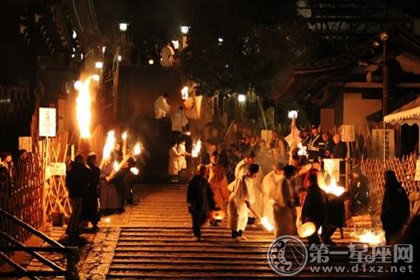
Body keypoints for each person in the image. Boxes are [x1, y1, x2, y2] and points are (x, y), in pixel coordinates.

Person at [228, 164, 259, 239]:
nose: (254, 175)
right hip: (237, 200)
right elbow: (239, 192)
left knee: (244, 217)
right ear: (248, 172)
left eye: (255, 174)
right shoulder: (242, 179)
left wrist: (248, 201)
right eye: (252, 173)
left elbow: (249, 192)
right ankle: (234, 235)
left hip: (244, 201)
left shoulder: (251, 179)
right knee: (237, 217)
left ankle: (240, 234)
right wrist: (247, 201)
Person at [187, 165, 216, 240]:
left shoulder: (204, 180)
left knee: (204, 217)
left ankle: (195, 229)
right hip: (196, 203)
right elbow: (190, 192)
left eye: (205, 171)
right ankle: (197, 234)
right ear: (199, 171)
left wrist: (212, 202)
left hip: (204, 202)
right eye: (202, 171)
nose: (204, 172)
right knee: (196, 218)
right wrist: (190, 202)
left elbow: (208, 191)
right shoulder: (193, 180)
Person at [381, 170, 410, 244]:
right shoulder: (399, 188)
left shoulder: (390, 189)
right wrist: (405, 216)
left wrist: (384, 217)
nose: (384, 179)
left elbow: (389, 205)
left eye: (384, 178)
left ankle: (392, 254)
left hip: (391, 221)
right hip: (399, 220)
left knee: (391, 241)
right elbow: (406, 202)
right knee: (398, 239)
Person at [66, 155, 90, 238]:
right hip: (77, 192)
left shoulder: (72, 168)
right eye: (82, 160)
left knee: (75, 211)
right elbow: (88, 172)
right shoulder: (78, 168)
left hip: (73, 192)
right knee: (76, 211)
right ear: (80, 160)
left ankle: (71, 228)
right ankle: (72, 229)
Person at [272, 165, 298, 237]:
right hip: (283, 209)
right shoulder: (284, 182)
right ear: (291, 173)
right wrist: (293, 209)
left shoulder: (285, 181)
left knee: (283, 229)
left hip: (282, 208)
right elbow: (286, 197)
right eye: (294, 173)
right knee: (283, 229)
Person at [301, 174, 327, 244]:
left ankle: (315, 248)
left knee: (311, 235)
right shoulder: (322, 191)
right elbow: (325, 204)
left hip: (311, 216)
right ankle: (316, 247)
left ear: (310, 181)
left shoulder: (309, 191)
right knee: (313, 233)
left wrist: (303, 216)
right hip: (320, 216)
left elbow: (306, 204)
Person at [205, 152, 229, 226]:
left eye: (217, 158)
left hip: (219, 191)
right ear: (211, 158)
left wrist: (225, 193)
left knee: (218, 206)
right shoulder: (207, 168)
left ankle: (217, 219)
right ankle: (212, 219)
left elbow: (224, 180)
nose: (215, 160)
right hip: (211, 190)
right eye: (214, 158)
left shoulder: (221, 168)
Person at [81, 153, 101, 231]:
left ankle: (85, 221)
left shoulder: (86, 168)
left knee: (86, 207)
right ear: (92, 160)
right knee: (93, 207)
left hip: (87, 191)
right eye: (95, 159)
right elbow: (96, 180)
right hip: (92, 191)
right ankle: (94, 223)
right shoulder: (93, 169)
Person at [262, 162, 284, 226]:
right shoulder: (268, 177)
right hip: (270, 199)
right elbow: (266, 189)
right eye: (279, 170)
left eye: (281, 170)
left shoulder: (284, 176)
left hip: (281, 199)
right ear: (276, 169)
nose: (280, 172)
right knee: (270, 213)